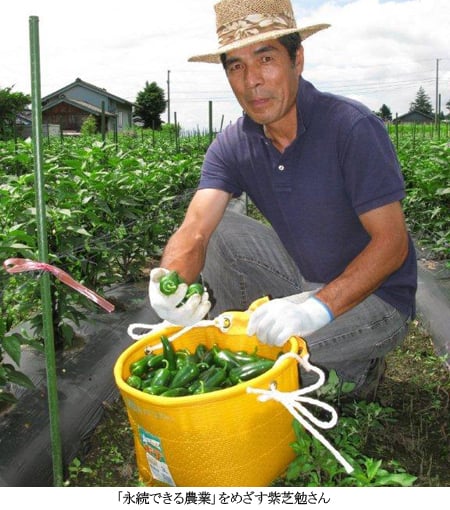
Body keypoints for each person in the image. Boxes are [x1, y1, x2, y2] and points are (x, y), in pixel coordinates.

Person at [148, 0, 417, 400]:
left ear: (298, 59)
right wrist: (171, 283)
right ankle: (251, 333)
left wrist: (313, 310)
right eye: (235, 66)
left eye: (266, 58)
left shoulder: (351, 127)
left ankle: (356, 370)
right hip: (304, 278)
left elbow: (392, 246)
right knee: (222, 235)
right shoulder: (233, 144)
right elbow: (197, 230)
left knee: (269, 362)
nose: (252, 80)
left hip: (379, 297)